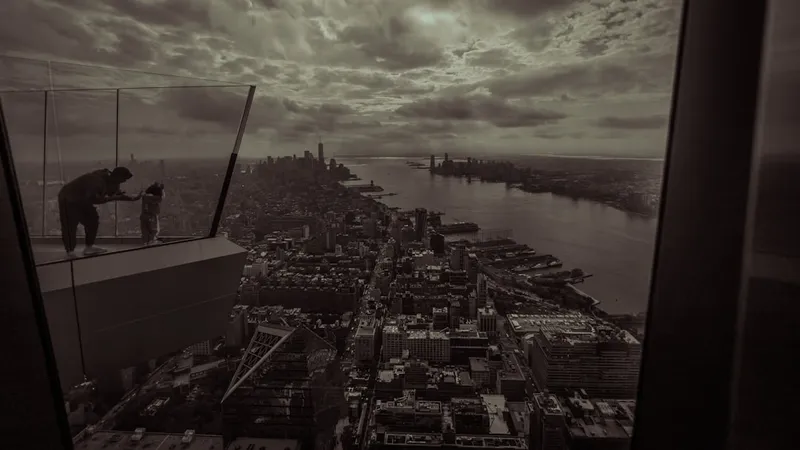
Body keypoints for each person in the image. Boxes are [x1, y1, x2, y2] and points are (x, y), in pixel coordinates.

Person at [57, 167, 142, 257]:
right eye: (123, 179)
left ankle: (89, 246)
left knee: (93, 219)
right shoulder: (98, 182)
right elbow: (94, 198)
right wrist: (114, 198)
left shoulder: (111, 181)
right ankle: (70, 251)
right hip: (68, 198)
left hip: (81, 198)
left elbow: (117, 194)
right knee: (70, 223)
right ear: (117, 177)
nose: (124, 181)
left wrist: (132, 198)